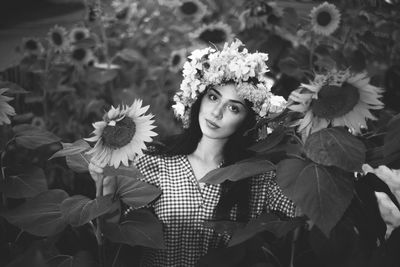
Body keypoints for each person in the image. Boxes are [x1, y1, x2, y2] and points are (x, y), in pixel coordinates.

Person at [89, 39, 296, 267]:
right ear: (199, 98)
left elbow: (300, 222)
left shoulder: (259, 178)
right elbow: (116, 236)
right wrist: (106, 186)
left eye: (233, 108)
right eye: (213, 97)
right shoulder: (153, 163)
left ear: (247, 121)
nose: (216, 113)